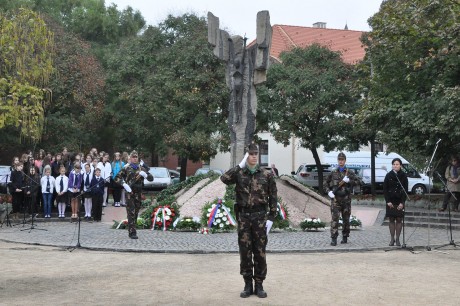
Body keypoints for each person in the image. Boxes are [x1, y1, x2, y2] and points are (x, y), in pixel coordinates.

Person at [220, 144, 277, 299]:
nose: (253, 156)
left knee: (260, 252)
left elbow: (273, 197)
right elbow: (224, 178)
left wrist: (271, 217)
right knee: (245, 252)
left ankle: (259, 284)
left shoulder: (266, 174)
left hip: (259, 217)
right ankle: (247, 284)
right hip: (244, 217)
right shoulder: (239, 173)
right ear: (246, 156)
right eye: (250, 154)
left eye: (255, 154)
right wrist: (239, 165)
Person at [114, 150, 153, 239]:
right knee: (131, 212)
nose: (135, 159)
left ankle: (132, 228)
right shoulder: (126, 168)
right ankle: (132, 232)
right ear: (130, 158)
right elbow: (116, 178)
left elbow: (151, 178)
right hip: (130, 193)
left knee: (135, 213)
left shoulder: (141, 168)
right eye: (133, 157)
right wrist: (124, 184)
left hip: (138, 193)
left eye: (136, 157)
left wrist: (146, 175)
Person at [324, 152, 360, 246]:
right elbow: (325, 183)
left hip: (346, 200)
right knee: (334, 219)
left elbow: (359, 181)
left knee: (346, 219)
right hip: (335, 200)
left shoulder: (349, 172)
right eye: (339, 160)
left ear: (345, 160)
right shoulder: (333, 172)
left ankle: (345, 236)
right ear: (337, 160)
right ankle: (334, 238)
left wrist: (350, 181)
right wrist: (329, 192)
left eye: (342, 160)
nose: (341, 161)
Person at [383, 158, 408, 246]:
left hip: (399, 200)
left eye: (397, 164)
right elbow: (385, 189)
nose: (395, 166)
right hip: (391, 200)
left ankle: (397, 239)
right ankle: (392, 239)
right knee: (391, 219)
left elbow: (405, 190)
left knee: (399, 219)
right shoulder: (388, 175)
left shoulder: (403, 175)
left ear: (400, 165)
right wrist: (388, 201)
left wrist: (402, 203)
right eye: (394, 164)